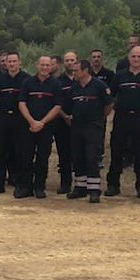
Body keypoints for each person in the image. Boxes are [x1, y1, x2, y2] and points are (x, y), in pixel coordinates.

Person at [107, 45, 140, 198]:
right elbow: (112, 96)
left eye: (139, 56)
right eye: (133, 56)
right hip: (122, 119)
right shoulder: (120, 76)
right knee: (117, 152)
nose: (136, 59)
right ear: (129, 58)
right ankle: (113, 185)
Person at [15, 56, 63, 199]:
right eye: (42, 65)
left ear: (51, 67)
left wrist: (42, 122)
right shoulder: (27, 82)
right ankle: (25, 187)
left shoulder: (56, 84)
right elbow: (22, 103)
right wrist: (31, 121)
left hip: (46, 128)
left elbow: (58, 106)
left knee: (43, 158)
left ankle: (39, 187)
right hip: (28, 127)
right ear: (37, 65)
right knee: (26, 157)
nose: (44, 68)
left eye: (47, 65)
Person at [66, 65, 113, 203]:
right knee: (77, 156)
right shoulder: (74, 87)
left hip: (93, 127)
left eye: (76, 70)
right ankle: (80, 188)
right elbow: (68, 106)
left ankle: (94, 190)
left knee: (92, 157)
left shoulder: (99, 85)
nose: (74, 73)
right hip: (76, 127)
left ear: (85, 71)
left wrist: (99, 118)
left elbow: (108, 105)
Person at [0, 51, 29, 194]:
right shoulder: (0, 80)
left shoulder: (26, 80)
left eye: (14, 61)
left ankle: (19, 184)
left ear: (19, 62)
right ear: (5, 64)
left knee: (20, 152)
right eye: (9, 62)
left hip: (20, 120)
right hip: (3, 119)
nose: (12, 64)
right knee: (0, 152)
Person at [54, 52, 79, 194]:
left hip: (80, 123)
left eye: (72, 60)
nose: (70, 63)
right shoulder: (58, 81)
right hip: (62, 123)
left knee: (80, 154)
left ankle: (81, 184)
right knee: (64, 155)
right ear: (63, 63)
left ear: (77, 61)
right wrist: (65, 116)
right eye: (67, 60)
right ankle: (65, 184)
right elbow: (56, 102)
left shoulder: (83, 79)